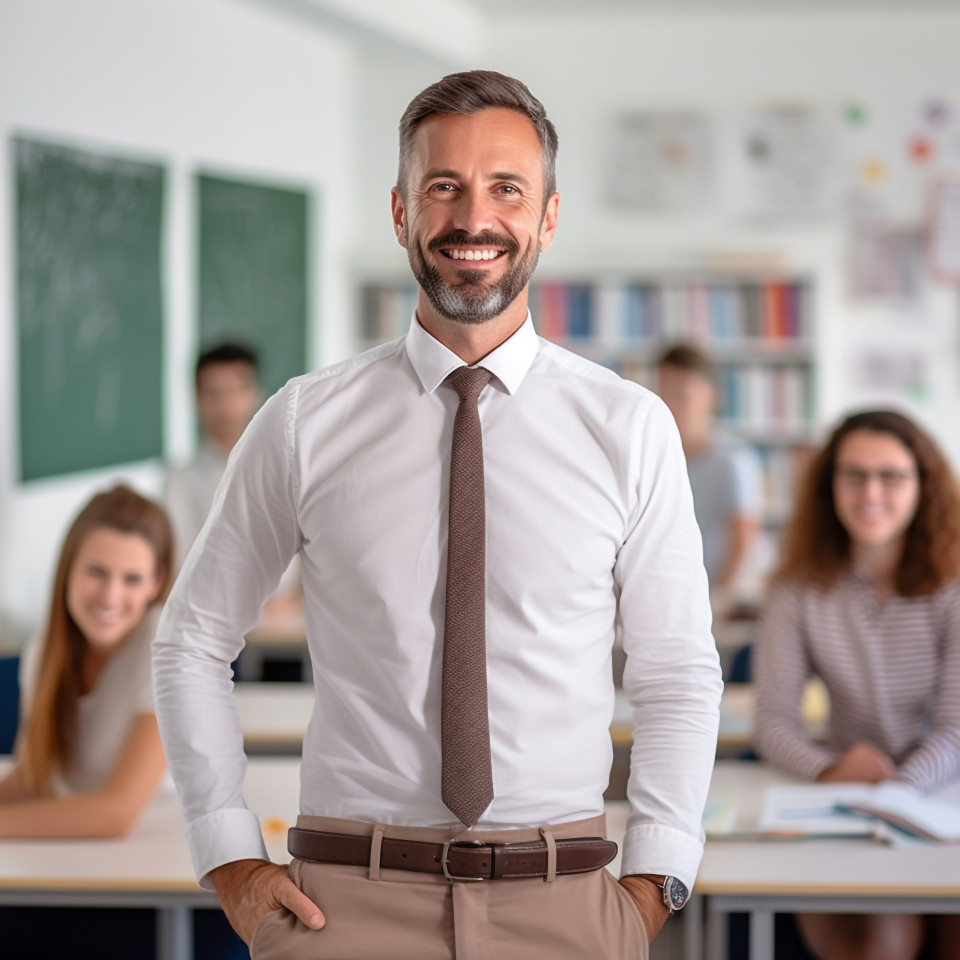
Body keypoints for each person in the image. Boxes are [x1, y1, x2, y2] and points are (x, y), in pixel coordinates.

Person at [154, 69, 722, 959]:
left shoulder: (628, 427)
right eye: (443, 187)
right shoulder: (304, 421)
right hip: (343, 905)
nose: (473, 218)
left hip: (565, 902)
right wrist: (228, 855)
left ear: (547, 217)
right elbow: (190, 640)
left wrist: (651, 884)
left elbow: (678, 672)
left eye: (507, 188)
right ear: (400, 211)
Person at [755, 409, 960, 960]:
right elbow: (772, 722)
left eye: (891, 476)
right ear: (830, 487)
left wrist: (897, 793)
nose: (871, 491)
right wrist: (828, 768)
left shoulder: (954, 583)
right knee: (881, 941)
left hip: (943, 797)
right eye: (854, 474)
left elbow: (956, 730)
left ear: (923, 486)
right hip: (845, 796)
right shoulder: (796, 589)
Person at [0, 485, 172, 835]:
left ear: (156, 584)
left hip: (152, 851)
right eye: (96, 572)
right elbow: (31, 779)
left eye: (132, 579)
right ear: (68, 569)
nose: (111, 596)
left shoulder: (165, 648)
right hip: (72, 848)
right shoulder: (44, 647)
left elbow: (116, 814)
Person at [165, 341, 301, 619]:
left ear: (255, 394)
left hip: (290, 625)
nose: (226, 404)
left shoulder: (292, 468)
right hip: (215, 627)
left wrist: (295, 601)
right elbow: (177, 570)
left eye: (235, 391)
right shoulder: (179, 483)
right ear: (196, 400)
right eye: (213, 393)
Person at [656, 342, 763, 613]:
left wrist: (715, 597)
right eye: (663, 392)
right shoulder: (655, 455)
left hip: (714, 602)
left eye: (681, 393)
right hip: (667, 596)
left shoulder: (733, 460)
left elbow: (744, 536)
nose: (671, 403)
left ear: (711, 396)